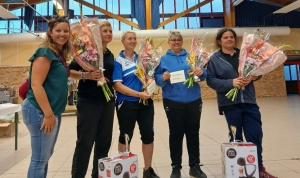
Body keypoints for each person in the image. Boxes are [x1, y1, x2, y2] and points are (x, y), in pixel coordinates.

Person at [206, 28, 278, 178]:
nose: (229, 39)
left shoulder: (246, 54)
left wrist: (253, 77)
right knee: (236, 138)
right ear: (220, 41)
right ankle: (238, 171)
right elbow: (211, 80)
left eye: (231, 37)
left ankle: (259, 169)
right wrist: (231, 83)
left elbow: (258, 72)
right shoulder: (214, 59)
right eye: (225, 37)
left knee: (255, 136)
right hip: (230, 104)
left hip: (249, 102)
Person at [21, 16, 73, 178]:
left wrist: (86, 75)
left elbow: (66, 74)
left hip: (51, 111)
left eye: (66, 31)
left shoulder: (58, 54)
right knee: (39, 160)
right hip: (40, 111)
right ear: (50, 32)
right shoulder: (44, 53)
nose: (62, 34)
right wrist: (48, 114)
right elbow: (36, 85)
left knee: (44, 157)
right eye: (58, 31)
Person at [154, 31, 207, 178]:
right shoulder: (162, 59)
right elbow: (156, 78)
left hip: (193, 100)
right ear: (168, 42)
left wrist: (199, 72)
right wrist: (162, 77)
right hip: (172, 101)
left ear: (182, 41)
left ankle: (194, 166)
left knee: (193, 134)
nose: (176, 42)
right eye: (173, 40)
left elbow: (203, 76)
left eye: (178, 39)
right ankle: (176, 167)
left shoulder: (192, 56)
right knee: (176, 135)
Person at [69, 20, 115, 178]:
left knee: (104, 143)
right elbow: (68, 72)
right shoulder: (86, 52)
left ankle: (98, 175)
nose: (108, 33)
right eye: (105, 31)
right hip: (88, 101)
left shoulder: (110, 55)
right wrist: (86, 75)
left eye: (110, 31)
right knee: (85, 143)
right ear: (96, 34)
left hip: (107, 102)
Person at [112, 31, 160, 178]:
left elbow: (150, 77)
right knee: (126, 136)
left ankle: (148, 169)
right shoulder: (118, 60)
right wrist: (138, 94)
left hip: (145, 103)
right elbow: (117, 86)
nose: (132, 41)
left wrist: (149, 84)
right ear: (123, 41)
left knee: (148, 135)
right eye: (129, 38)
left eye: (134, 38)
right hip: (126, 103)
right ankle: (125, 170)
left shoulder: (143, 58)